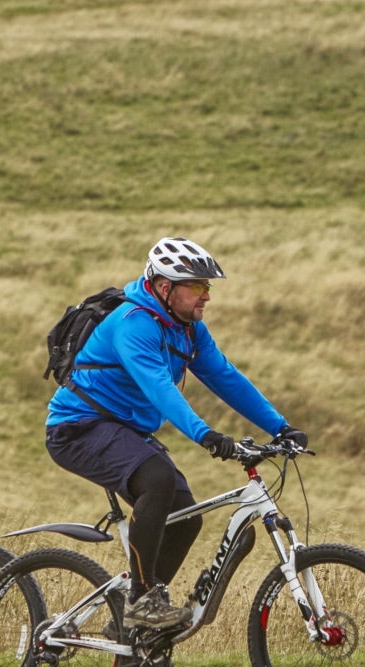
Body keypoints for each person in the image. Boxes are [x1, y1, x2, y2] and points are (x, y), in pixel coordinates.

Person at [44, 238, 306, 633]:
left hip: (126, 429)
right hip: (79, 427)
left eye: (208, 287)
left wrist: (280, 426)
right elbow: (159, 389)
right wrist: (205, 435)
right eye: (197, 287)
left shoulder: (188, 329)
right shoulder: (133, 324)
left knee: (186, 519)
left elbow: (225, 377)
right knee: (158, 479)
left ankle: (135, 629)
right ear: (164, 288)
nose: (206, 297)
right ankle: (141, 601)